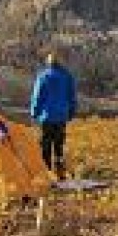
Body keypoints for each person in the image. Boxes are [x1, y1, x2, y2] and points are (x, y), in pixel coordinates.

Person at [30, 53, 77, 181]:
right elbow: (72, 96)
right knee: (59, 145)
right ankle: (60, 174)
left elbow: (37, 96)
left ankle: (47, 173)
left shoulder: (43, 76)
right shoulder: (67, 77)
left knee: (45, 146)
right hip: (61, 117)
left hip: (46, 118)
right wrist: (71, 112)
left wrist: (34, 112)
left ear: (48, 63)